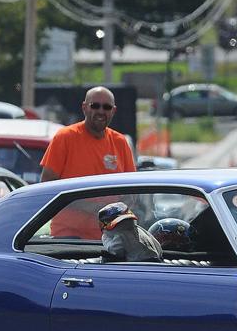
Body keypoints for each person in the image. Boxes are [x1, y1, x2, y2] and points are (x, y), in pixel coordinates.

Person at [39, 86, 136, 239]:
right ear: (84, 107)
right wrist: (91, 207)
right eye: (95, 105)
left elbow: (131, 191)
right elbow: (47, 187)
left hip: (110, 236)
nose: (101, 111)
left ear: (113, 111)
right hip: (69, 236)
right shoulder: (65, 137)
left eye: (107, 107)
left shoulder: (120, 142)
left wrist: (117, 212)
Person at [97, 202, 162, 263]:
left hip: (141, 264)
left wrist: (106, 241)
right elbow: (157, 246)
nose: (125, 224)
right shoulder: (140, 229)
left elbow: (115, 251)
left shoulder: (120, 236)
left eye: (127, 221)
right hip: (156, 261)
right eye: (121, 222)